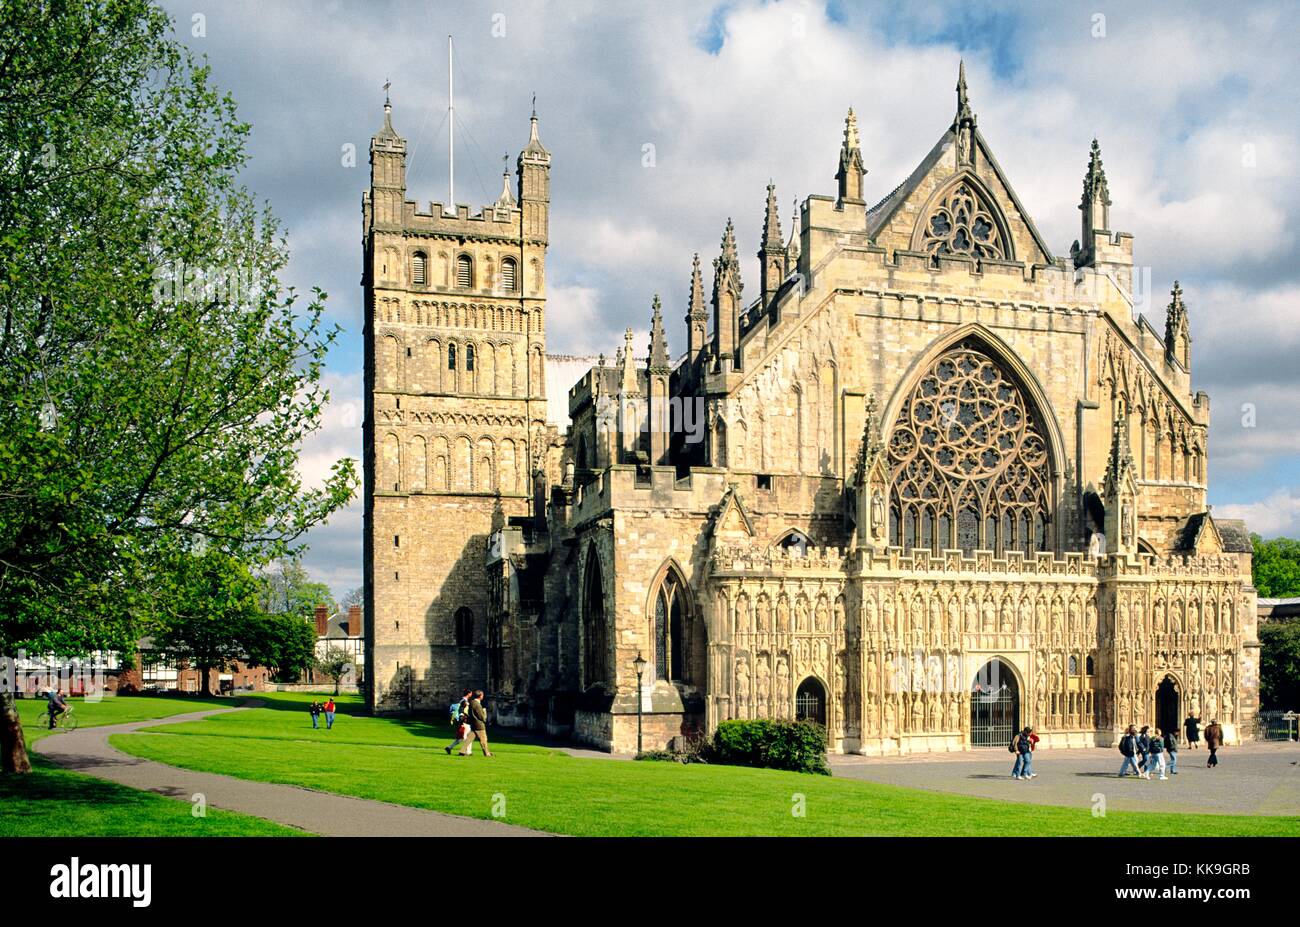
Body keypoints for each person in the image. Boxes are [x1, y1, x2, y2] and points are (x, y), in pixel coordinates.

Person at [460, 689, 493, 757]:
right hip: (479, 724)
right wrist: (485, 719)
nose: (483, 696)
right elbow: (480, 716)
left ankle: (462, 751)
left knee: (469, 739)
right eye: (482, 695)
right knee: (483, 740)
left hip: (473, 723)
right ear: (480, 696)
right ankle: (487, 753)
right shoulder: (477, 704)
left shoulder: (471, 702)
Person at [446, 688, 473, 755]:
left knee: (460, 738)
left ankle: (449, 747)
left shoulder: (462, 700)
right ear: (468, 694)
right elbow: (462, 712)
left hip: (462, 721)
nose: (471, 694)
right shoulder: (464, 701)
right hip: (464, 721)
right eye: (471, 693)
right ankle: (467, 752)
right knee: (466, 737)